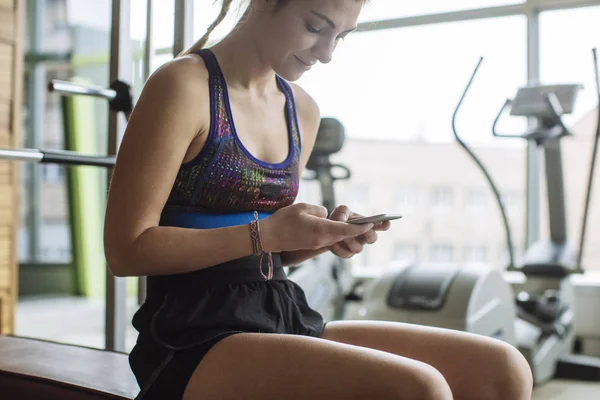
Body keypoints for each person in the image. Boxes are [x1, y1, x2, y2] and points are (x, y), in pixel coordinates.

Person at [103, 0, 534, 399]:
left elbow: (262, 252)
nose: (326, 53)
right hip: (189, 331)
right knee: (419, 390)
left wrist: (315, 240)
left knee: (503, 370)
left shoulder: (301, 111)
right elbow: (126, 250)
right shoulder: (183, 85)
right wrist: (263, 234)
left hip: (283, 310)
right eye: (315, 27)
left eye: (340, 37)